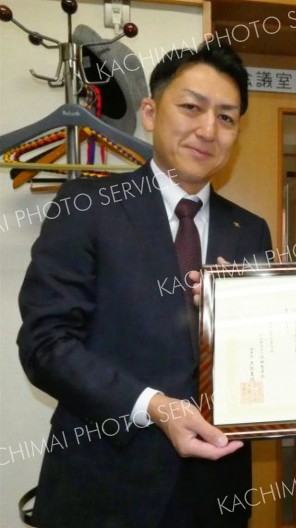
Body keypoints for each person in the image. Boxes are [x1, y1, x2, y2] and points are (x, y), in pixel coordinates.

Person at [17, 44, 272, 528]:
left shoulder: (251, 230)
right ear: (151, 113)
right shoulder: (86, 206)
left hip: (215, 492)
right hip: (102, 485)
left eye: (226, 117)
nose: (207, 130)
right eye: (191, 108)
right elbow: (45, 344)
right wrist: (153, 407)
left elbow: (260, 356)